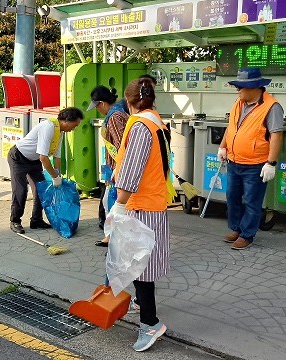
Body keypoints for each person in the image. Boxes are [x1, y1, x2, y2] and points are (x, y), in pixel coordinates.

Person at [111, 77, 170, 352]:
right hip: (153, 201)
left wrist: (118, 206)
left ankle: (151, 323)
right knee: (142, 262)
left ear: (129, 101)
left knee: (141, 265)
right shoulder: (156, 120)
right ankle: (139, 302)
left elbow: (133, 172)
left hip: (141, 205)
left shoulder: (140, 127)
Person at [218, 68, 284, 250]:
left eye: (240, 87)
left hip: (255, 165)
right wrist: (223, 146)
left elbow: (276, 136)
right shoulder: (239, 102)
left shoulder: (272, 107)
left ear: (255, 87)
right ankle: (237, 229)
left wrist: (271, 163)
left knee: (251, 201)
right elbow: (231, 127)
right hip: (234, 161)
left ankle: (247, 234)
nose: (237, 90)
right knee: (232, 197)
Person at [8, 107, 83, 234]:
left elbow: (57, 156)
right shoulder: (48, 127)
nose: (73, 129)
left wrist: (57, 173)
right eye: (74, 125)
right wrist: (54, 177)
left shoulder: (60, 131)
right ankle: (15, 221)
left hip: (34, 160)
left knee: (42, 189)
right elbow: (43, 157)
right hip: (18, 157)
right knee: (20, 190)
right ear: (66, 120)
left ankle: (36, 220)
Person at [86, 85, 129, 246]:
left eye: (96, 106)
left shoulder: (114, 117)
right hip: (113, 167)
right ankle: (110, 237)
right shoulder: (118, 113)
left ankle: (115, 239)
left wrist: (118, 171)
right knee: (108, 203)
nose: (97, 109)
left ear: (102, 103)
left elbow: (121, 147)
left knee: (114, 205)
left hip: (117, 169)